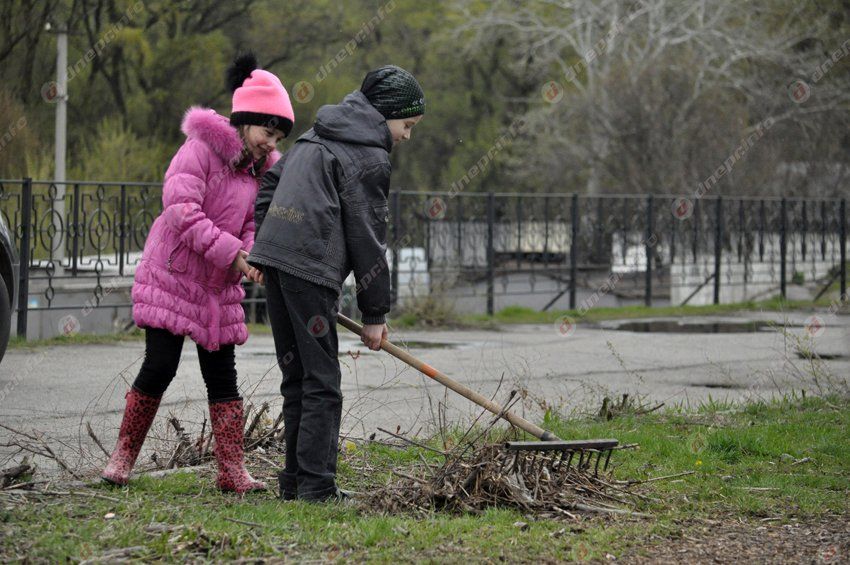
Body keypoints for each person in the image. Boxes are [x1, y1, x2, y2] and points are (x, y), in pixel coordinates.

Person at [101, 53, 294, 493]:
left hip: (217, 286)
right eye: (268, 130)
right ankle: (123, 456)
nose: (272, 141)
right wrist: (232, 253)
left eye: (279, 135)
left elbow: (251, 223)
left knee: (223, 376)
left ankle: (231, 471)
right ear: (245, 120)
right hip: (171, 275)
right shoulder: (201, 149)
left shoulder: (261, 172)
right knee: (160, 366)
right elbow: (181, 211)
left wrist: (250, 253)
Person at [247, 65, 425, 502]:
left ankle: (294, 482)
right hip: (309, 270)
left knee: (298, 376)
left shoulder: (314, 135)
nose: (406, 136)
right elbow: (368, 236)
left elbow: (270, 185)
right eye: (406, 125)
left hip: (279, 263)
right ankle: (317, 488)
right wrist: (375, 314)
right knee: (323, 380)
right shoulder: (369, 157)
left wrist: (266, 245)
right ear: (385, 116)